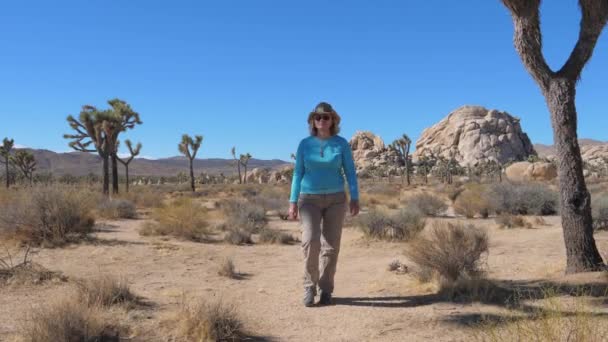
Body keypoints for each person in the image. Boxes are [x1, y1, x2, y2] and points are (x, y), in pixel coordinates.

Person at [288, 101, 360, 307]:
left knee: (331, 246)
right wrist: (292, 201)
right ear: (312, 121)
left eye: (326, 117)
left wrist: (354, 197)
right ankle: (309, 287)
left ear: (332, 120)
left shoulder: (341, 143)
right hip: (308, 198)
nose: (321, 120)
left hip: (336, 199)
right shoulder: (304, 144)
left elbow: (350, 172)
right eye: (317, 117)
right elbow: (297, 173)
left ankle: (326, 289)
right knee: (310, 242)